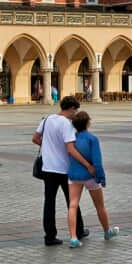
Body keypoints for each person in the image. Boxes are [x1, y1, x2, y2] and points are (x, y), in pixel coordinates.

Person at [33, 96, 85, 246]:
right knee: (72, 201)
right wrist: (85, 163)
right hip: (63, 169)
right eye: (75, 110)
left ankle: (49, 236)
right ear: (71, 109)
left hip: (47, 168)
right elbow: (70, 148)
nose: (75, 113)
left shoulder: (47, 119)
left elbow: (35, 138)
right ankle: (79, 230)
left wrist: (48, 146)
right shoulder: (66, 124)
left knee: (49, 202)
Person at [65, 111, 119, 248]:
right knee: (99, 206)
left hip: (74, 175)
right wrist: (101, 178)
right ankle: (107, 231)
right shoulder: (92, 139)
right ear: (88, 123)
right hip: (90, 176)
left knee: (73, 205)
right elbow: (97, 161)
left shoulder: (72, 138)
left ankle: (73, 237)